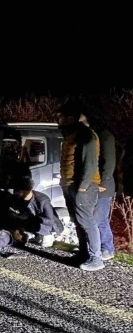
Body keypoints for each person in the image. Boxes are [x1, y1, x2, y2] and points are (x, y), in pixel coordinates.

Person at [58, 101, 104, 271]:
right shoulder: (71, 134)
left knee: (87, 221)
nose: (58, 120)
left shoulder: (86, 134)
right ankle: (84, 253)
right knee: (77, 221)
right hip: (70, 185)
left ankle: (96, 258)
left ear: (70, 118)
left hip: (83, 187)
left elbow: (90, 163)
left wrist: (83, 187)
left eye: (60, 117)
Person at [7, 176, 64, 247]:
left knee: (31, 222)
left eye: (18, 191)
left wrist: (31, 218)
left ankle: (48, 235)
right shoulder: (19, 198)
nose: (16, 193)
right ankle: (35, 234)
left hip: (48, 226)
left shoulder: (43, 200)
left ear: (27, 190)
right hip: (32, 221)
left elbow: (50, 221)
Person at [89, 120, 116, 260]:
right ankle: (98, 246)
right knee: (94, 217)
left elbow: (109, 161)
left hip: (103, 186)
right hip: (95, 183)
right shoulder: (96, 136)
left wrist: (103, 181)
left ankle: (108, 248)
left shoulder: (105, 136)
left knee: (100, 218)